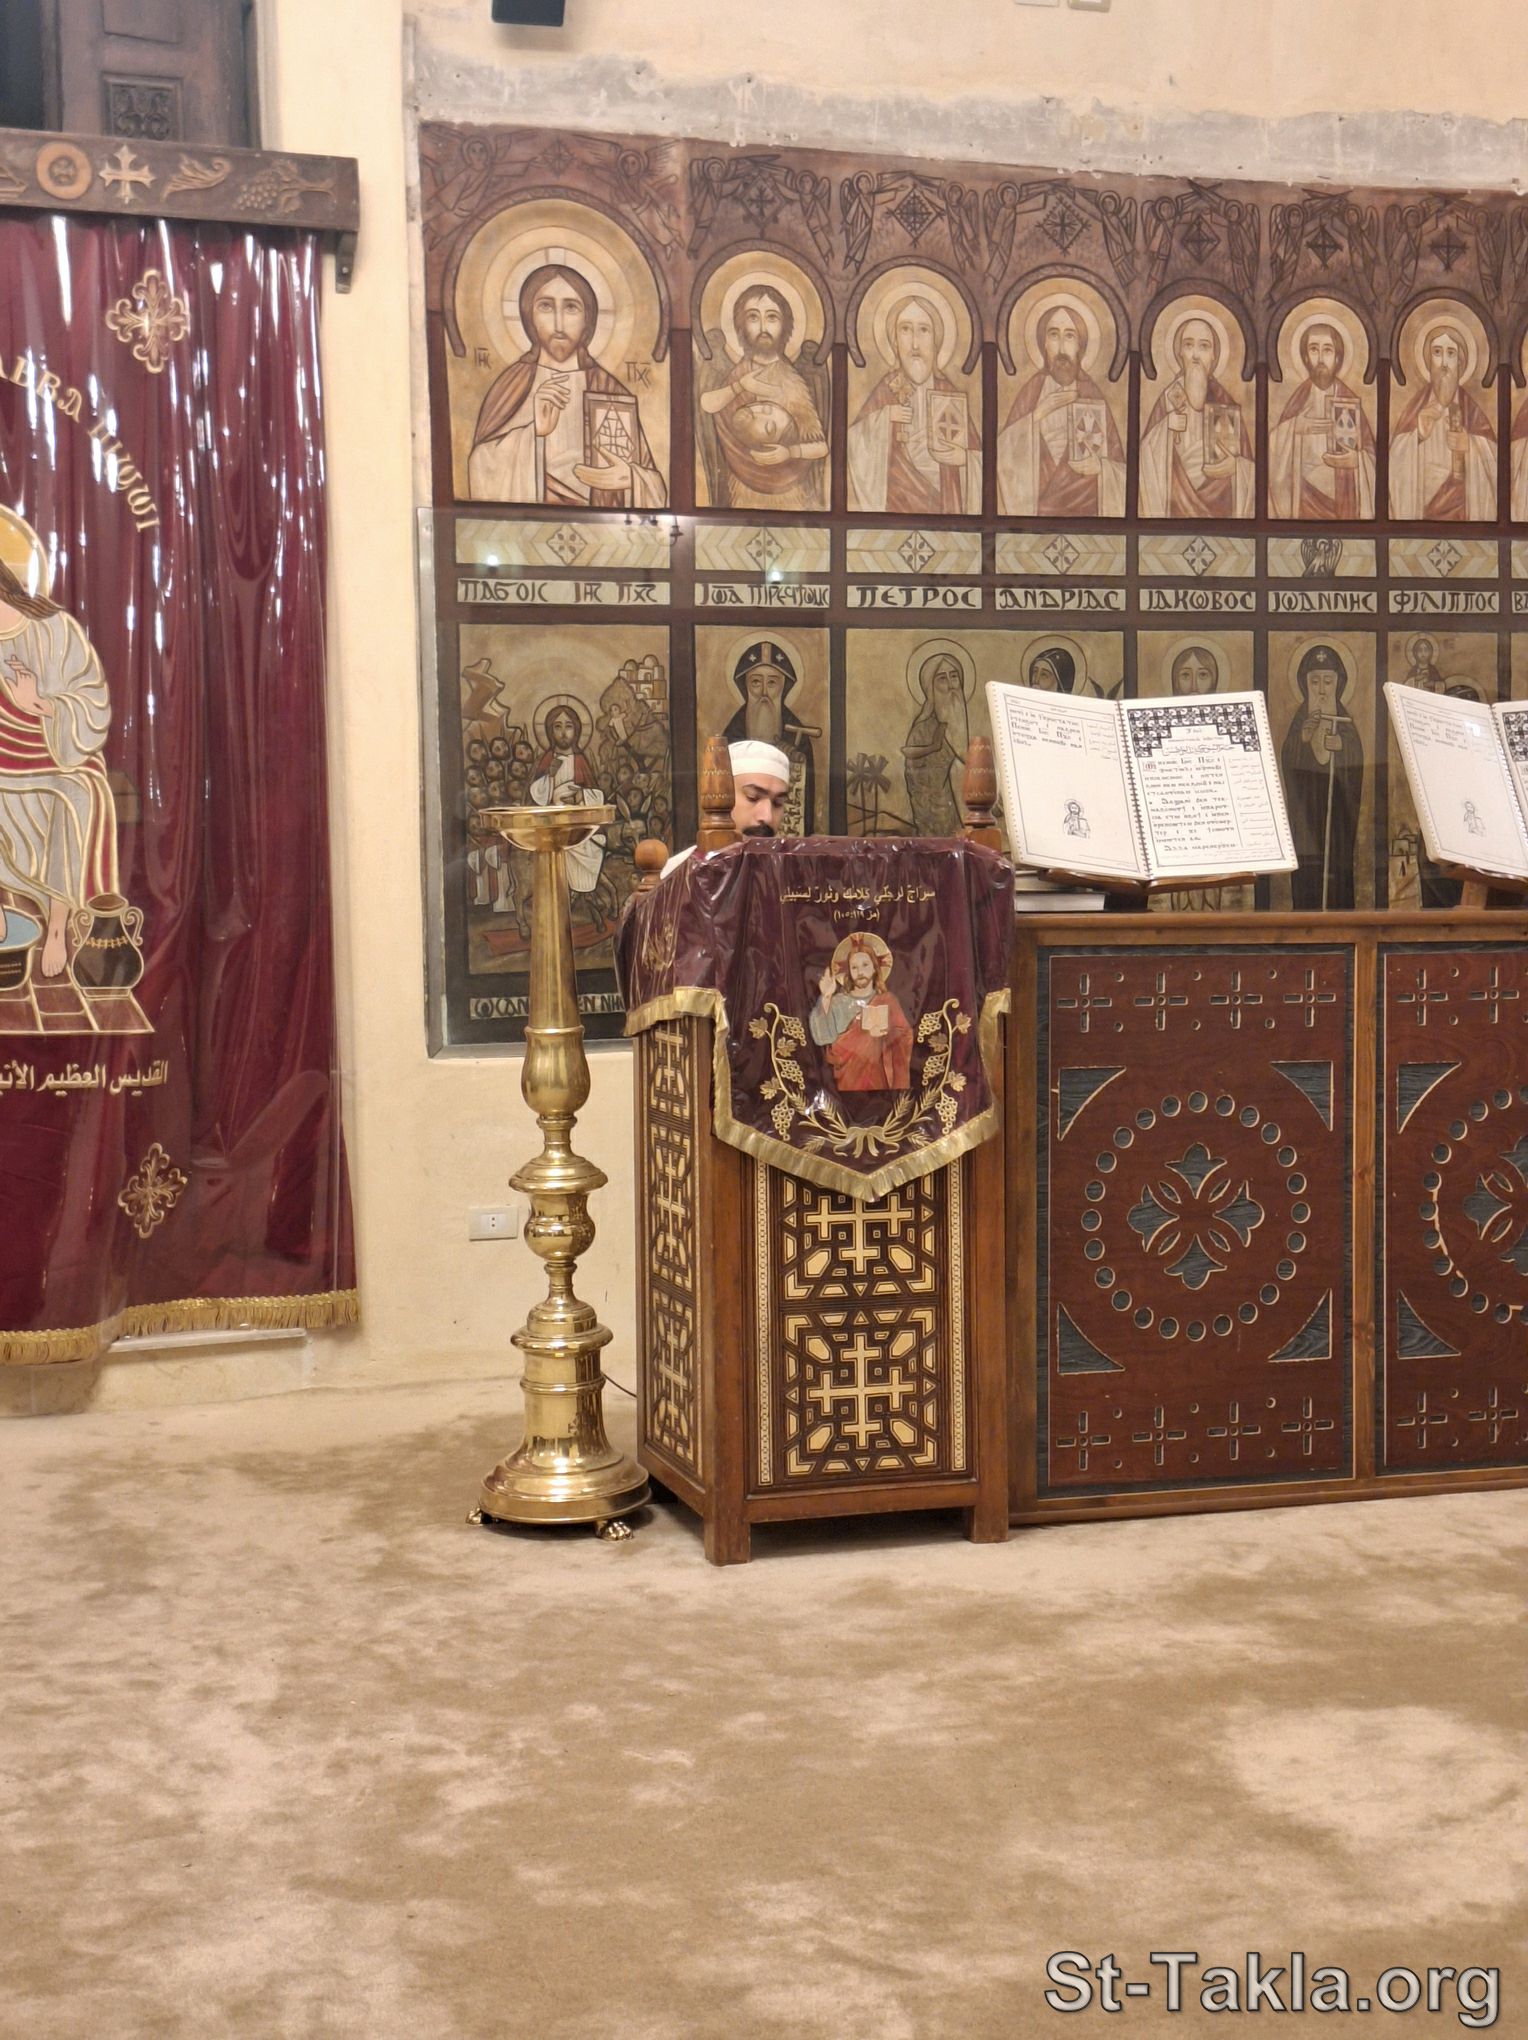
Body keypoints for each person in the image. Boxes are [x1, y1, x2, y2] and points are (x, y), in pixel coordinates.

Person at [0, 559, 119, 980]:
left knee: (75, 796)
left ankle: (56, 928)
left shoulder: (55, 629)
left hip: (56, 758)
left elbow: (93, 702)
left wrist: (40, 703)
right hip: (2, 759)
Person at [467, 263, 666, 509]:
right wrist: (534, 433)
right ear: (529, 315)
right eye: (546, 306)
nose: (558, 323)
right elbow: (480, 466)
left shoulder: (608, 389)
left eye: (571, 307)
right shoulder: (513, 385)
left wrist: (633, 479)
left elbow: (656, 490)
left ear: (587, 319)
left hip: (601, 527)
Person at [846, 294, 982, 515]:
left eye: (924, 330)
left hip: (945, 507)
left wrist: (964, 458)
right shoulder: (887, 389)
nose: (915, 343)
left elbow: (982, 459)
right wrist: (885, 416)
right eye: (905, 330)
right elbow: (853, 442)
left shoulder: (948, 392)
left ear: (936, 342)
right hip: (895, 508)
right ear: (895, 342)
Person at [696, 284, 829, 510]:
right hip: (740, 490)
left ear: (785, 326)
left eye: (772, 317)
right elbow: (707, 404)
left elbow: (821, 447)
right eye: (753, 317)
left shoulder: (791, 381)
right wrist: (740, 386)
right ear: (740, 326)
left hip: (789, 496)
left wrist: (790, 452)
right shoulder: (737, 375)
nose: (763, 328)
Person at [998, 298, 1127, 516]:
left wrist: (1101, 468)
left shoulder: (1092, 394)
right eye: (1053, 335)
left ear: (1080, 346)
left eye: (1069, 336)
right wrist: (1036, 415)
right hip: (1034, 516)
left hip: (1085, 515)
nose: (1061, 347)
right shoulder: (1032, 391)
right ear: (1044, 344)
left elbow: (1121, 469)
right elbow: (1001, 454)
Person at [1139, 315, 1255, 518]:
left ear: (1213, 356)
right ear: (1179, 353)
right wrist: (1165, 427)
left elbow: (1252, 471)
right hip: (1172, 511)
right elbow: (1143, 459)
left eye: (1204, 347)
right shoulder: (1167, 399)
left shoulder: (1225, 402)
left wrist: (1236, 467)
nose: (1195, 355)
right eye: (1188, 345)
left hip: (1221, 515)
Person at [1280, 644, 1363, 911]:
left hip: (1337, 815)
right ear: (1305, 684)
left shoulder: (1344, 721)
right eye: (1315, 681)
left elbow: (1357, 761)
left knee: (1337, 865)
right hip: (1306, 812)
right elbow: (1287, 758)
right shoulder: (1300, 720)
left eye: (1328, 681)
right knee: (1307, 872)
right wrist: (1303, 739)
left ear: (1338, 684)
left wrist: (1342, 746)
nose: (1322, 689)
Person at [1269, 321, 1377, 519]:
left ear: (1337, 358)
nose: (1320, 359)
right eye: (1313, 350)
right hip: (1303, 500)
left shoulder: (1349, 400)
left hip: (1343, 499)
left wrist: (1357, 461)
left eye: (1327, 350)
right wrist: (1294, 427)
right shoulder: (1298, 401)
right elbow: (1272, 451)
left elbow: (1372, 455)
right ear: (1305, 357)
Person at [1389, 322, 1496, 521]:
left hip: (1464, 512)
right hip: (1422, 511)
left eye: (1451, 354)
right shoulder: (1416, 408)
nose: (1444, 364)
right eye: (1437, 353)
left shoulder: (1472, 412)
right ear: (1428, 361)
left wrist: (1470, 445)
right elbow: (1392, 462)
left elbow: (1497, 465)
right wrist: (1418, 436)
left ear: (1461, 364)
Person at [721, 641, 818, 834]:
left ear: (783, 687)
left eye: (772, 683)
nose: (764, 692)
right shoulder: (732, 732)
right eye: (752, 797)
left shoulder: (796, 733)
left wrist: (796, 761)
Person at [659, 740, 791, 877]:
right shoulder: (675, 876)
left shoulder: (791, 874)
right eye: (752, 797)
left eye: (778, 803)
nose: (767, 817)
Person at [808, 931, 913, 1093]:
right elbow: (822, 1038)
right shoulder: (838, 1002)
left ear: (875, 968)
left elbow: (905, 1036)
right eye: (854, 967)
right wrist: (827, 997)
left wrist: (886, 1035)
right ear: (849, 971)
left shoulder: (888, 1001)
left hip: (879, 1083)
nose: (860, 971)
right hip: (847, 1080)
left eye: (865, 965)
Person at [901, 649, 969, 835]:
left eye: (953, 676)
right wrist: (932, 749)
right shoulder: (923, 728)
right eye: (942, 679)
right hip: (934, 803)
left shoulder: (965, 724)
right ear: (930, 688)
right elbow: (913, 768)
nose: (951, 685)